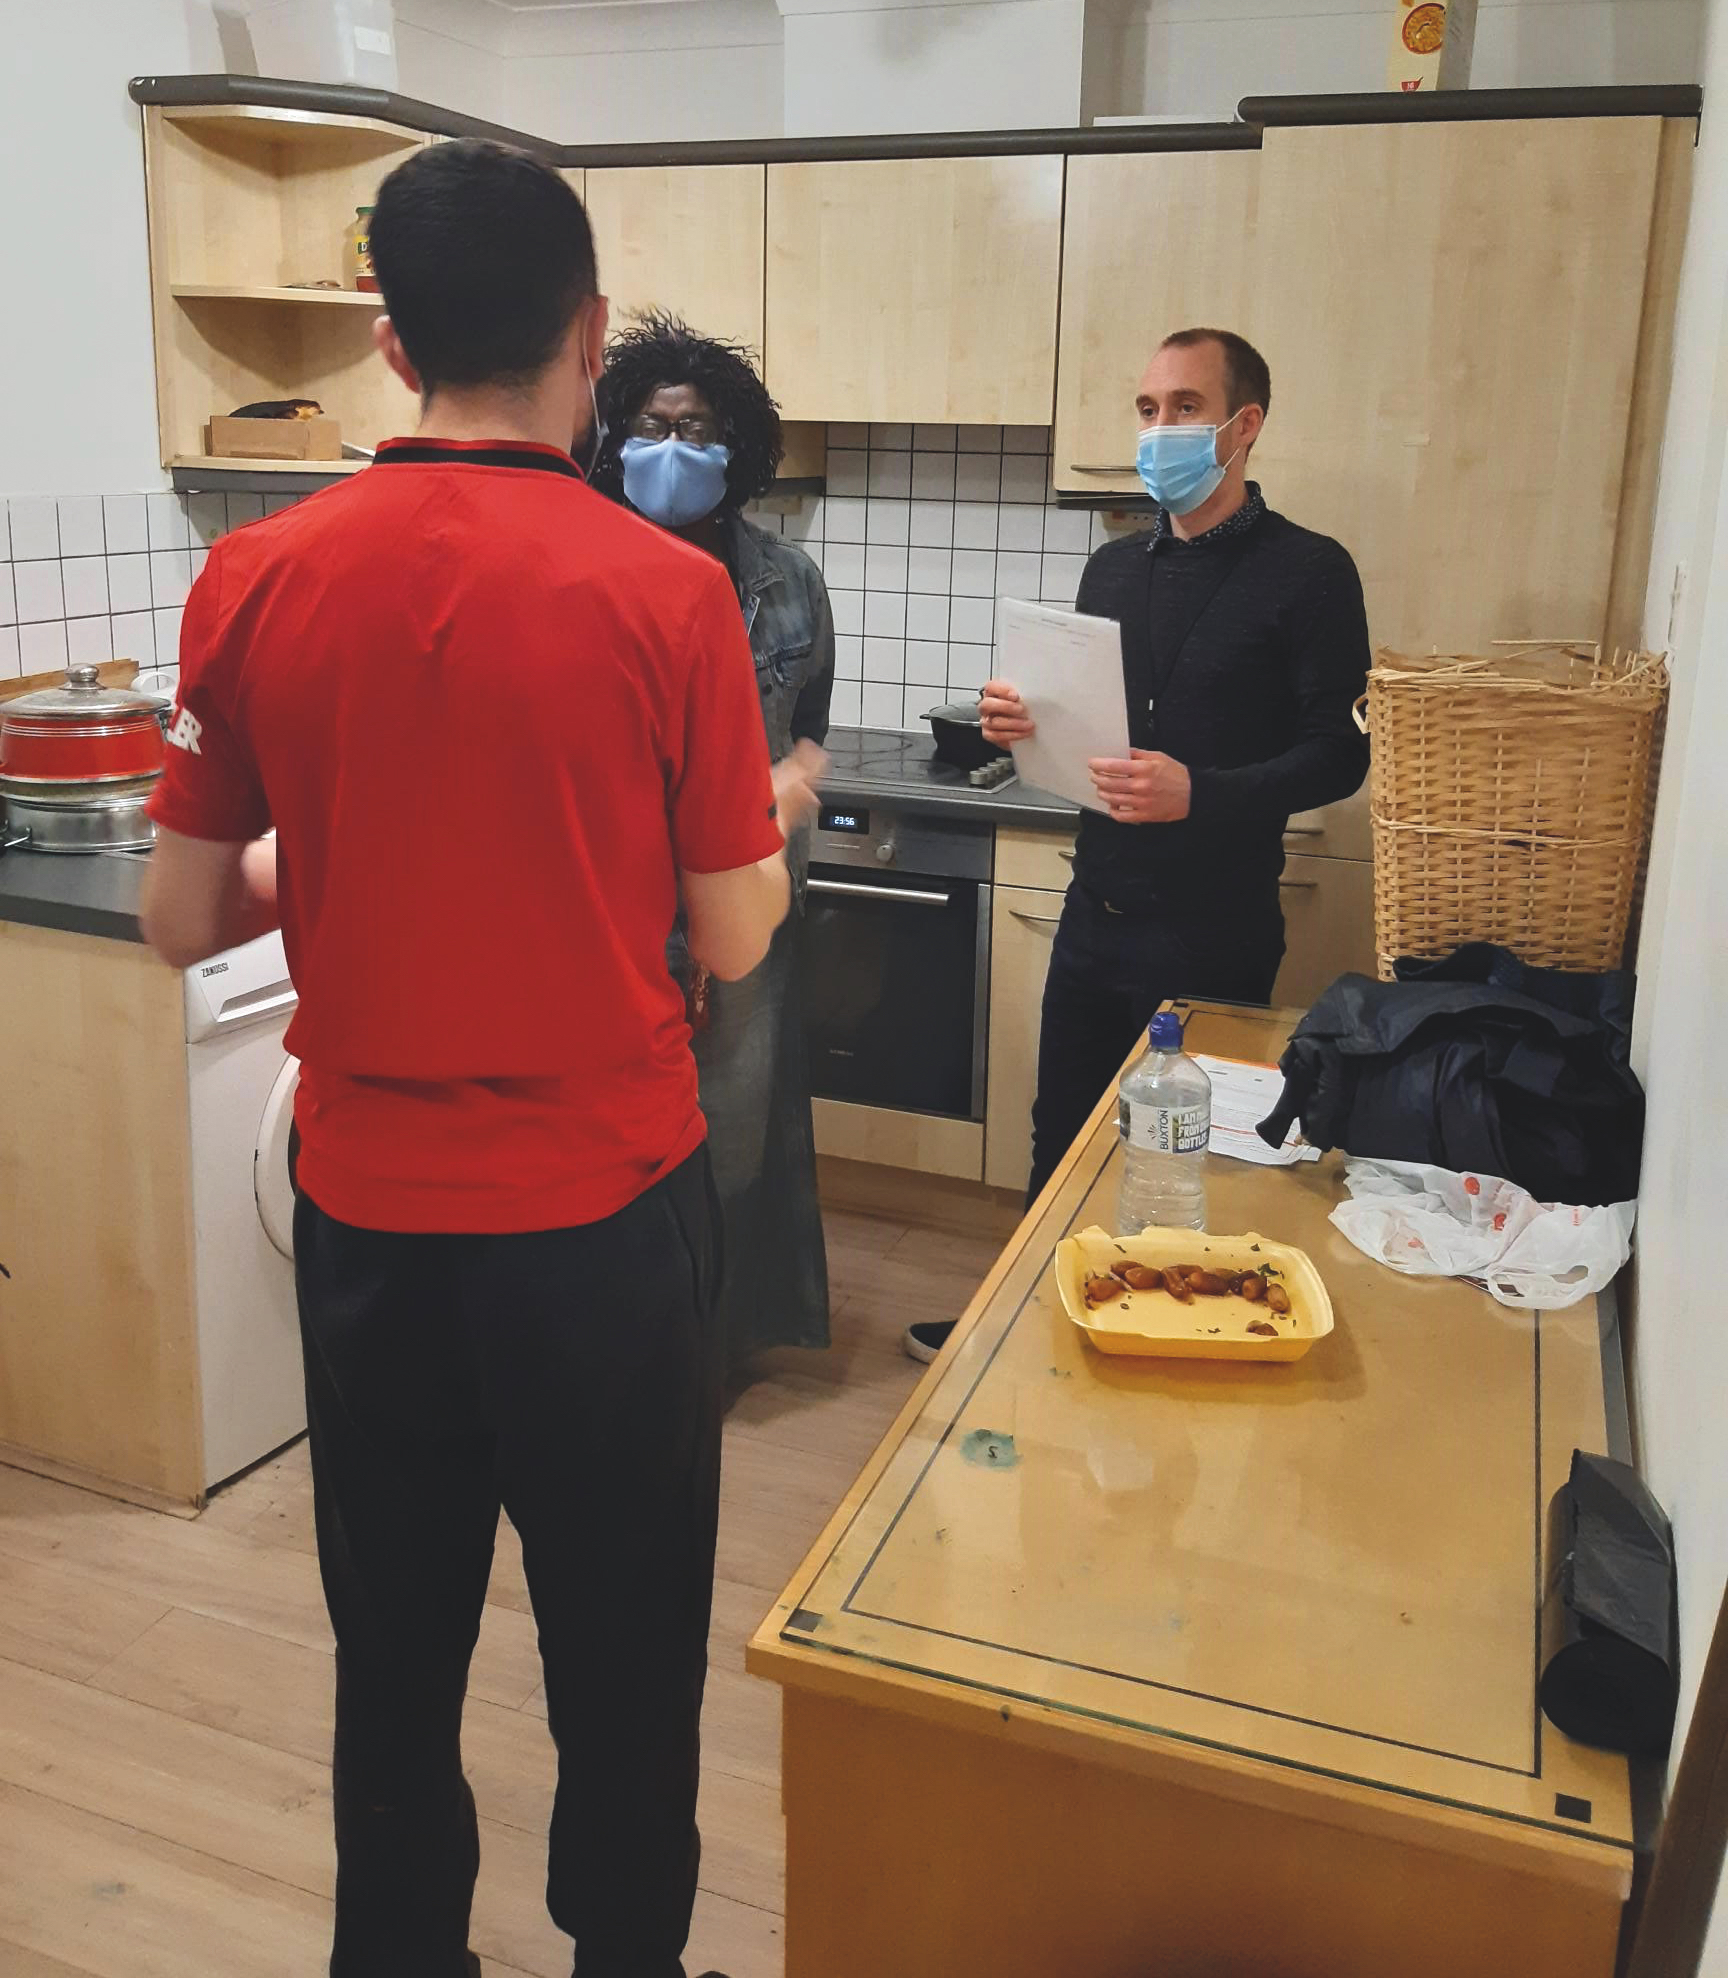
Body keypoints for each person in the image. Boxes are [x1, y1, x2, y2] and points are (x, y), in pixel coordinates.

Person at [140, 138, 809, 1978]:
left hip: (370, 1224)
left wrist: (337, 843)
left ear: (385, 331)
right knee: (621, 1649)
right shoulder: (665, 595)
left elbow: (186, 911)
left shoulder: (256, 576)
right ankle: (623, 1957)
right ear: (588, 339)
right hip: (605, 1226)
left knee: (397, 1642)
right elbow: (736, 929)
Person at [905, 325, 1370, 1364]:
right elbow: (1086, 727)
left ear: (1243, 427)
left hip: (1214, 928)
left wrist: (1202, 791)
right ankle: (1023, 1330)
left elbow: (1338, 758)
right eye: (1148, 410)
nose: (1160, 431)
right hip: (1096, 904)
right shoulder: (1112, 570)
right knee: (1058, 1137)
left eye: (1186, 409)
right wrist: (1017, 723)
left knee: (1185, 1161)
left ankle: (1166, 1336)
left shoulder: (1309, 573)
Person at [595, 312, 834, 1378]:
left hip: (749, 899)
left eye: (697, 431)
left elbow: (811, 723)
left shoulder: (787, 581)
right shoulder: (584, 568)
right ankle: (635, 1347)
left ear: (737, 451)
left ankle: (716, 1348)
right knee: (627, 1140)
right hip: (618, 914)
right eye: (651, 426)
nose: (673, 450)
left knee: (735, 1129)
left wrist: (793, 784)